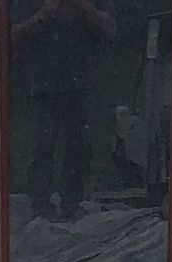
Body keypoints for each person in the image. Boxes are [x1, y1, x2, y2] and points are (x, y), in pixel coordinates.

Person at [10, 0, 116, 219]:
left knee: (80, 144)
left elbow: (109, 29)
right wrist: (43, 14)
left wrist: (83, 7)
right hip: (42, 81)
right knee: (41, 145)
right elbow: (14, 34)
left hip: (81, 80)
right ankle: (40, 203)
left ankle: (72, 202)